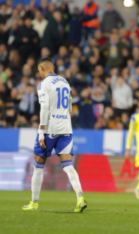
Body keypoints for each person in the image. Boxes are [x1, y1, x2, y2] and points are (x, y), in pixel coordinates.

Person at [22, 57, 87, 212]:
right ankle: (80, 198)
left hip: (50, 127)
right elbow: (70, 107)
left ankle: (34, 203)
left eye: (39, 70)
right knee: (68, 165)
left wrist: (42, 132)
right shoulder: (65, 82)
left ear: (41, 68)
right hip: (66, 127)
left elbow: (44, 108)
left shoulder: (43, 84)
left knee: (38, 164)